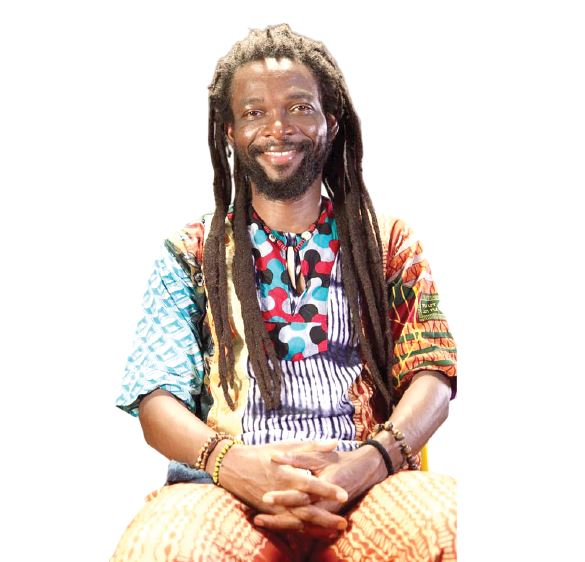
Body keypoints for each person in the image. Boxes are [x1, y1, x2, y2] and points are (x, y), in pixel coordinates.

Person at [112, 23, 457, 562]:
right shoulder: (191, 253)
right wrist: (238, 467)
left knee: (448, 530)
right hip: (222, 489)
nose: (278, 127)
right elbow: (156, 398)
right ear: (229, 131)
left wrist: (362, 466)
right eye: (254, 112)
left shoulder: (388, 244)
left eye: (299, 107)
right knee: (161, 550)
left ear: (331, 122)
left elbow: (433, 373)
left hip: (369, 482)